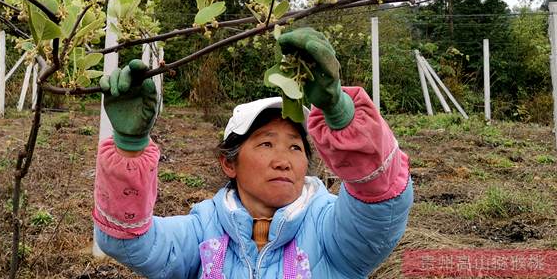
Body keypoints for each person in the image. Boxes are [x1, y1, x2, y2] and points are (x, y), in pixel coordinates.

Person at [93, 27, 413, 279]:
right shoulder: (203, 230)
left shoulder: (330, 230)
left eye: (295, 146)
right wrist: (129, 149)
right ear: (229, 162)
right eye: (265, 143)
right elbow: (129, 242)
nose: (283, 159)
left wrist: (341, 114)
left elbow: (382, 204)